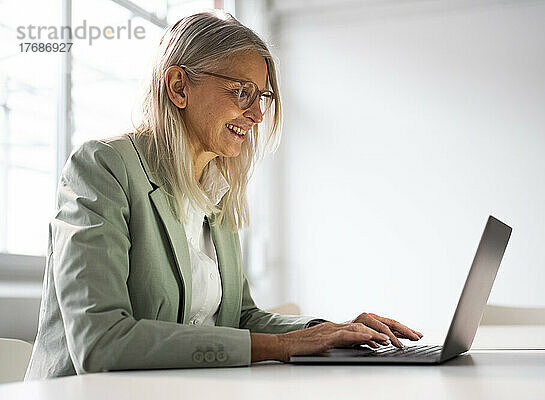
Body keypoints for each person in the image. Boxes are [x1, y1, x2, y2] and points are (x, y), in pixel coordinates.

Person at [25, 10, 422, 380]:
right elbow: (101, 344)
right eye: (242, 92)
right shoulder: (102, 167)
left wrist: (328, 331)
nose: (257, 115)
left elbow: (240, 317)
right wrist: (284, 347)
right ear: (179, 87)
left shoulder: (217, 189)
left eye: (262, 97)